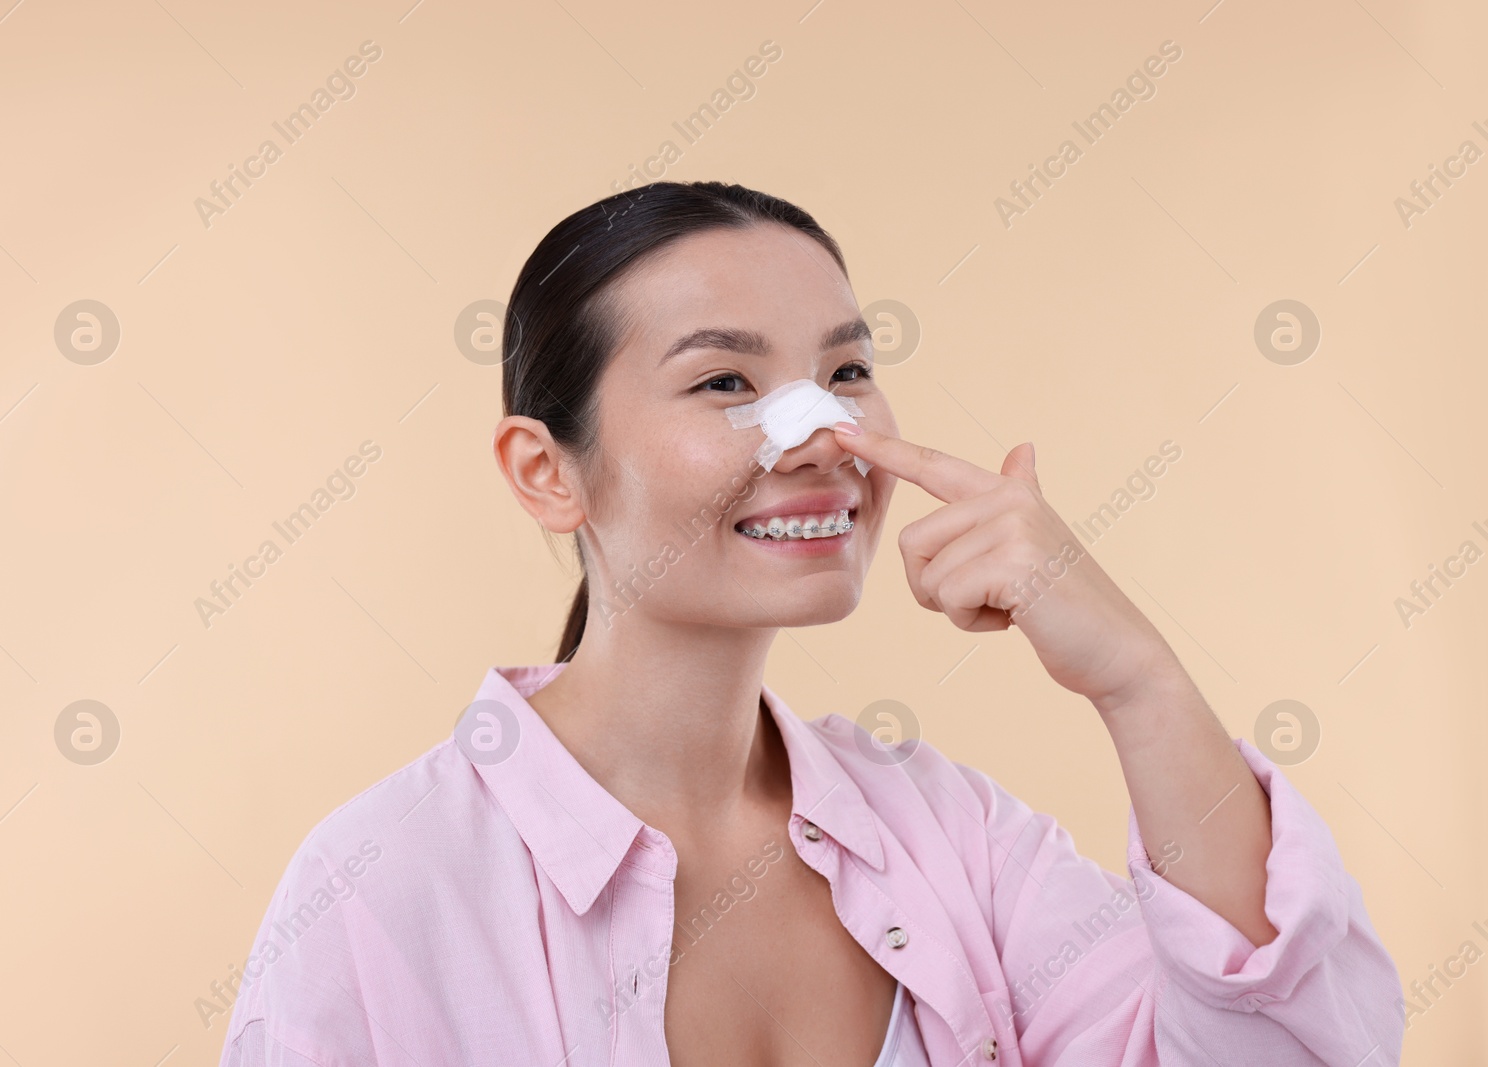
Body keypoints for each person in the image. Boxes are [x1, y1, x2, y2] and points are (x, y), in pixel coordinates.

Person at [216, 181, 1403, 1066]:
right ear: (544, 472)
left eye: (844, 372)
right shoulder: (380, 890)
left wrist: (1140, 682)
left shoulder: (955, 838)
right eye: (725, 381)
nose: (819, 433)